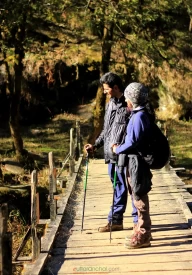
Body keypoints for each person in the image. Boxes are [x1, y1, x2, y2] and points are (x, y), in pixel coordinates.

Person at [84, 72, 138, 233]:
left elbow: (132, 133)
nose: (105, 92)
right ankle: (115, 221)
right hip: (110, 156)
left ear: (115, 87)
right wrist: (95, 145)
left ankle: (138, 222)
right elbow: (106, 131)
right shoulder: (110, 105)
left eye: (106, 89)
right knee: (118, 187)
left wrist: (123, 148)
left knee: (133, 187)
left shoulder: (129, 105)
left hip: (125, 155)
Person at [112, 82, 154, 248]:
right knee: (136, 193)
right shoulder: (138, 114)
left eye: (128, 97)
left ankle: (144, 233)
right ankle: (139, 229)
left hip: (138, 162)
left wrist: (117, 149)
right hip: (134, 162)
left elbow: (132, 141)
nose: (126, 100)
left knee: (139, 194)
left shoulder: (139, 116)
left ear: (132, 99)